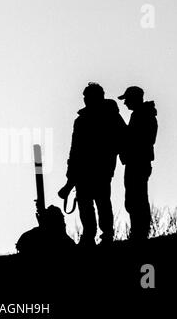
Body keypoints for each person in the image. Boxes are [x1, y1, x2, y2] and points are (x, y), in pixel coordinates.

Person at [59, 83, 126, 246]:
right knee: (85, 203)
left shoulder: (110, 115)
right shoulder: (81, 120)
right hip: (84, 169)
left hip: (102, 167)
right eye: (85, 97)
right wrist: (71, 175)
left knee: (101, 201)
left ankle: (106, 236)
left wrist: (111, 155)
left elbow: (122, 138)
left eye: (88, 96)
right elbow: (75, 149)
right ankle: (89, 236)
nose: (85, 100)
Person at [118, 86, 158, 242]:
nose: (125, 103)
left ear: (134, 99)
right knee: (135, 198)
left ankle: (139, 233)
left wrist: (126, 137)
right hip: (137, 161)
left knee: (137, 199)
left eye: (127, 99)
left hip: (138, 161)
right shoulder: (141, 115)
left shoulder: (142, 115)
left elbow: (142, 139)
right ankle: (138, 232)